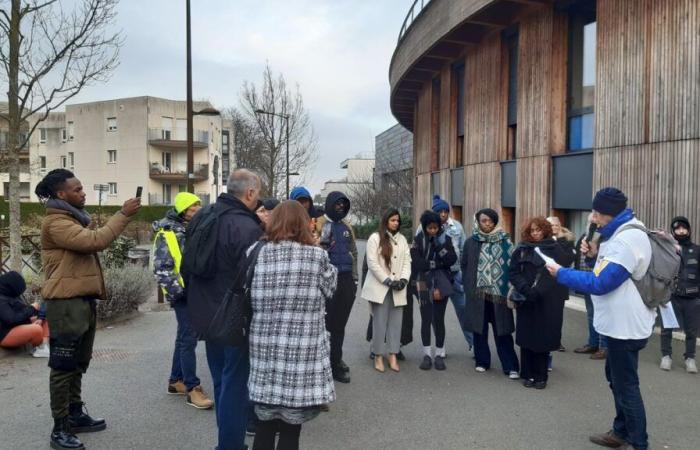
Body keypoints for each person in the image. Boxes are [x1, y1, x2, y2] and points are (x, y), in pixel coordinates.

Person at [36, 169, 140, 450]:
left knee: (78, 362)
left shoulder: (72, 218)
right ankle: (59, 428)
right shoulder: (56, 223)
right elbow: (95, 241)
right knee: (63, 365)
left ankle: (75, 413)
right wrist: (123, 214)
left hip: (80, 301)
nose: (83, 193)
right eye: (78, 189)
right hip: (65, 303)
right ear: (61, 194)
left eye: (82, 188)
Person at [547, 187, 653, 450]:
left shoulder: (626, 240)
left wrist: (561, 273)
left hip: (625, 326)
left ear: (609, 212)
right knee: (617, 380)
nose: (592, 218)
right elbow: (609, 271)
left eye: (596, 212)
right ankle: (620, 431)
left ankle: (639, 443)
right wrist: (594, 254)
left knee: (626, 385)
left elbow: (600, 283)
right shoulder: (618, 232)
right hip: (619, 323)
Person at [248, 201, 337, 450]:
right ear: (303, 224)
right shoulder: (317, 256)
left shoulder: (257, 251)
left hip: (265, 350)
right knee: (290, 429)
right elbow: (331, 289)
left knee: (264, 424)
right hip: (301, 353)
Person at [185, 169, 263, 450]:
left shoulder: (203, 216)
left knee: (221, 381)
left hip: (204, 314)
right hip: (233, 318)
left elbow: (188, 264)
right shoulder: (246, 226)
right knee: (235, 386)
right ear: (250, 193)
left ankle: (226, 441)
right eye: (259, 193)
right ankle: (230, 445)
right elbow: (254, 277)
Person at [152, 192, 214, 410]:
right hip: (183, 293)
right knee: (189, 338)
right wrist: (179, 293)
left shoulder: (192, 229)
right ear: (182, 211)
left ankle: (175, 380)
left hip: (193, 292)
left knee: (183, 337)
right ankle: (192, 388)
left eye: (198, 206)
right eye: (191, 207)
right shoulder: (167, 232)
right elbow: (162, 268)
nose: (196, 210)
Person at [509, 217, 575, 389]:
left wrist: (537, 292)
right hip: (526, 299)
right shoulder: (522, 248)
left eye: (538, 230)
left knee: (542, 338)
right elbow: (513, 271)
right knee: (526, 338)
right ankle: (528, 374)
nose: (535, 233)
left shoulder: (554, 248)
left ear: (545, 230)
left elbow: (559, 271)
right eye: (532, 231)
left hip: (547, 300)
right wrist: (525, 289)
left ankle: (541, 376)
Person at [461, 209, 519, 379]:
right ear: (478, 222)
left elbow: (513, 265)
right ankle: (482, 361)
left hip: (499, 295)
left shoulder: (505, 241)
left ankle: (511, 366)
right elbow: (464, 264)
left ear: (495, 222)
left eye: (490, 221)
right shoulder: (471, 242)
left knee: (503, 331)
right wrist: (468, 285)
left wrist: (510, 288)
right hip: (478, 294)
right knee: (479, 329)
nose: (487, 224)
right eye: (483, 221)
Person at [361, 208, 411, 373]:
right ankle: (377, 355)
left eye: (397, 220)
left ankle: (392, 355)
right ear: (385, 221)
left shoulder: (403, 239)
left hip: (398, 288)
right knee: (379, 323)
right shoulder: (375, 238)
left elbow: (407, 262)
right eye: (392, 220)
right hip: (380, 287)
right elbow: (372, 263)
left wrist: (403, 279)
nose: (396, 223)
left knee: (396, 324)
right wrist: (387, 280)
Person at [316, 191, 358, 383]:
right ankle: (321, 364)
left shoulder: (347, 226)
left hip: (346, 280)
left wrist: (355, 280)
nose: (340, 208)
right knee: (323, 326)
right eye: (337, 204)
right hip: (325, 282)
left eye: (343, 205)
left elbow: (354, 253)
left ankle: (336, 361)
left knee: (339, 325)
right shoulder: (318, 224)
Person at [411, 210, 457, 371]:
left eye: (435, 228)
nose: (432, 231)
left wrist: (438, 246)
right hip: (422, 282)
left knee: (438, 319)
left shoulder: (446, 239)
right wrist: (437, 264)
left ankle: (438, 354)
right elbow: (417, 263)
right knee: (425, 317)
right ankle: (426, 355)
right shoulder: (418, 241)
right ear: (424, 227)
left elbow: (451, 260)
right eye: (429, 228)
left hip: (441, 282)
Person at [431, 195, 473, 351]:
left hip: (455, 275)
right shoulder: (425, 226)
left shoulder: (456, 226)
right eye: (440, 211)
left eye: (445, 211)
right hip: (436, 276)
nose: (443, 214)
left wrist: (462, 272)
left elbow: (463, 250)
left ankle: (473, 344)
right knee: (437, 315)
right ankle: (440, 346)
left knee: (463, 310)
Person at [659, 216, 699, 374]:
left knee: (691, 331)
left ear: (689, 230)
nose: (681, 231)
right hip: (671, 296)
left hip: (692, 298)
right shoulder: (668, 249)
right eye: (677, 228)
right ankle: (666, 356)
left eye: (684, 228)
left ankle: (690, 358)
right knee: (666, 328)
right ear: (673, 231)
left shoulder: (697, 250)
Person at [574, 213, 608, 360]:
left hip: (599, 281)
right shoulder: (585, 236)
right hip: (586, 280)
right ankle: (593, 343)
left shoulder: (606, 237)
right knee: (591, 314)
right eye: (591, 220)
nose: (593, 223)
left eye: (596, 220)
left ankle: (604, 347)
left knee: (602, 315)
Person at [0, 271, 49, 357]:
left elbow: (22, 311)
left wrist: (38, 314)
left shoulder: (11, 294)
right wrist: (31, 308)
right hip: (4, 333)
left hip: (17, 326)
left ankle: (43, 347)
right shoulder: (1, 299)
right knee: (36, 329)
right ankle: (38, 346)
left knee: (44, 317)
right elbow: (11, 319)